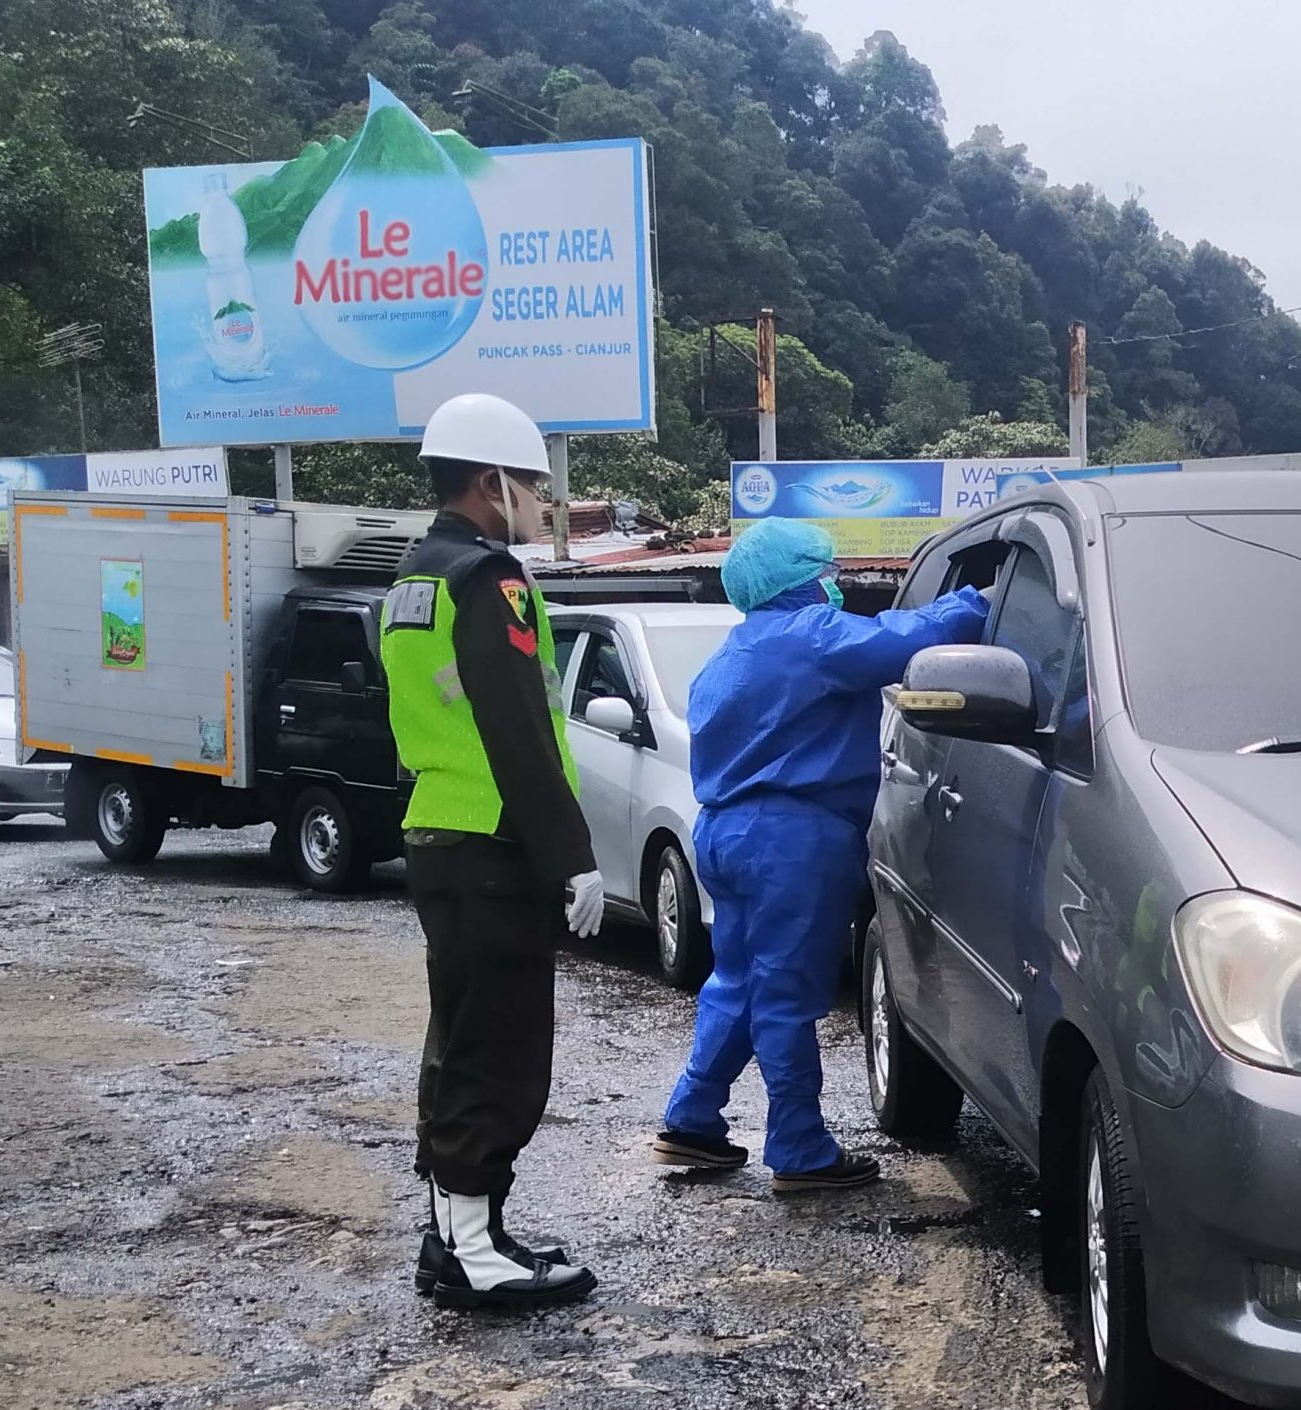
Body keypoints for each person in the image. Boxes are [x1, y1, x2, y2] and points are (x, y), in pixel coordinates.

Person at [652, 519, 988, 1192]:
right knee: (787, 995)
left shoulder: (728, 656)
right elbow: (906, 639)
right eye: (825, 572)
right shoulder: (809, 637)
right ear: (798, 580)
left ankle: (691, 1118)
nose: (832, 582)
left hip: (724, 832)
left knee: (738, 983)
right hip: (791, 841)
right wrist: (974, 602)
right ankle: (800, 1148)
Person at [384, 394, 603, 1310]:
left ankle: (456, 1235)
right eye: (534, 488)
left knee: (458, 1035)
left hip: (437, 827)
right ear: (490, 483)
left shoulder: (412, 576)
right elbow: (517, 727)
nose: (541, 505)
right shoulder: (492, 578)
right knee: (501, 1049)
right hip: (492, 839)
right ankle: (475, 1251)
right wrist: (572, 855)